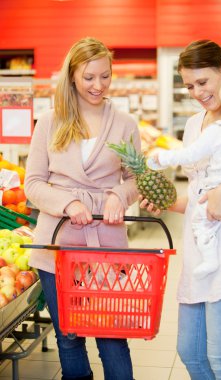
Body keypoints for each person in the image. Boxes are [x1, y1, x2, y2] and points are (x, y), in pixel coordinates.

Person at [141, 40, 221, 379]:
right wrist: (167, 202)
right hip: (200, 253)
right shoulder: (195, 125)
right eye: (189, 85)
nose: (197, 92)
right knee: (192, 354)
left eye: (203, 82)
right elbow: (198, 196)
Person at [24, 37, 140, 380]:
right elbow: (33, 184)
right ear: (72, 75)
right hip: (58, 244)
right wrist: (68, 202)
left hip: (106, 246)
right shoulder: (50, 121)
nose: (98, 85)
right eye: (89, 77)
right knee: (69, 337)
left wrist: (120, 193)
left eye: (105, 76)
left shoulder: (125, 122)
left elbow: (137, 179)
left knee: (112, 338)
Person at [147, 73, 221, 279]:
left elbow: (189, 154)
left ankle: (210, 258)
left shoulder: (220, 130)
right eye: (190, 86)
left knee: (201, 222)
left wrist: (162, 158)